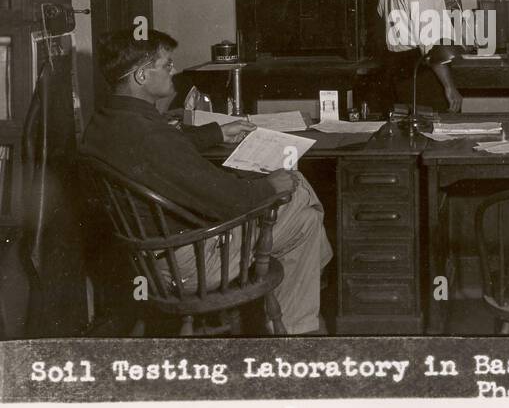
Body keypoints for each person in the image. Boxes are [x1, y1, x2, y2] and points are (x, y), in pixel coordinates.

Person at [79, 29, 331, 334]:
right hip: (191, 264)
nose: (173, 71)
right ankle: (297, 330)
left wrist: (216, 133)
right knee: (301, 195)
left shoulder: (106, 120)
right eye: (167, 64)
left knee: (304, 222)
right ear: (142, 77)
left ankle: (298, 315)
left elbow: (158, 149)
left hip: (150, 260)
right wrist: (271, 185)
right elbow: (229, 202)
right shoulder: (151, 135)